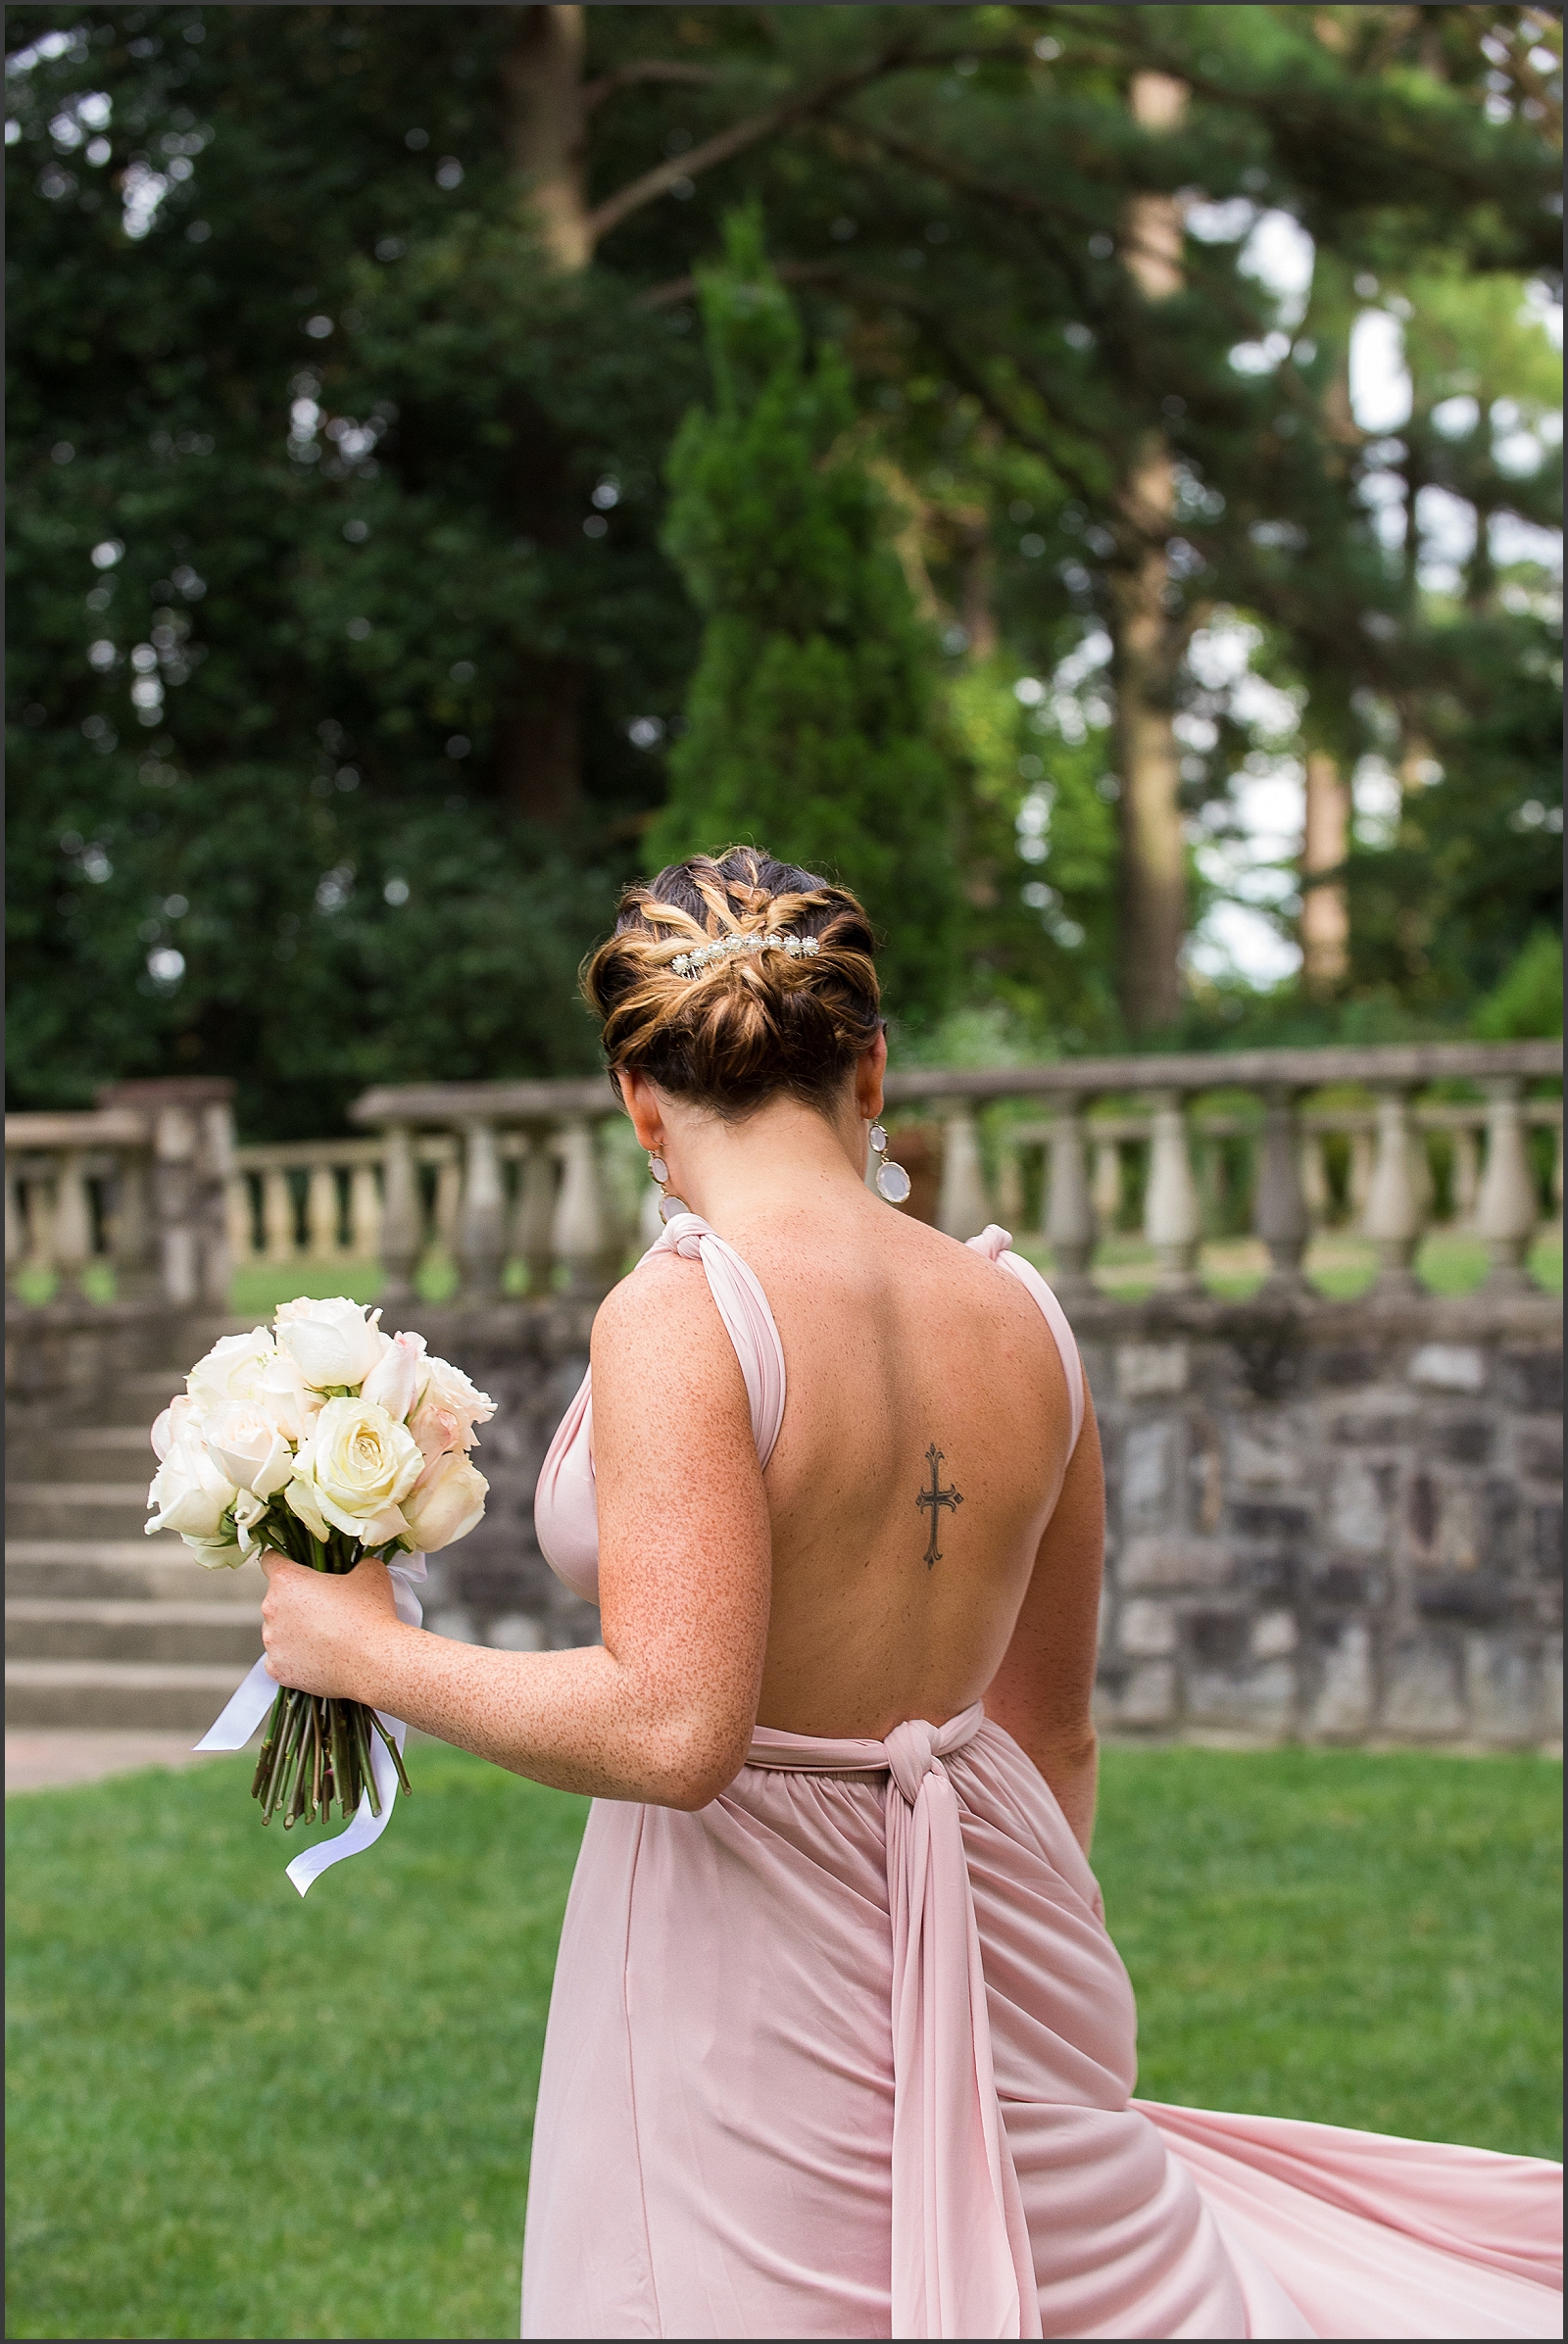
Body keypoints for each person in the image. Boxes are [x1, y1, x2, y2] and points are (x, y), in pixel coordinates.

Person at [259, 848, 1563, 2342]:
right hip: (1001, 1909)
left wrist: (365, 1652)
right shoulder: (1026, 1317)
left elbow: (679, 1729)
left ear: (639, 1100)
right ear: (871, 1071)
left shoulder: (681, 1314)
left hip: (743, 1961)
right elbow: (1051, 1734)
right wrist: (977, 1973)